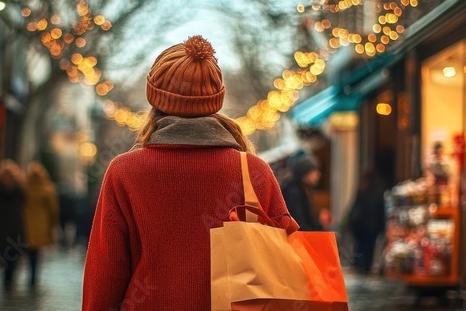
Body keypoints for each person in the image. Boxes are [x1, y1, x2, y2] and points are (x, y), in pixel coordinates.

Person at [82, 35, 299, 311]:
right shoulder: (253, 171)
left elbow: (104, 277)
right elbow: (286, 258)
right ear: (215, 100)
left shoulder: (124, 172)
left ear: (155, 99)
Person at [0, 160, 27, 289]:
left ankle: (6, 278)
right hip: (14, 226)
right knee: (12, 253)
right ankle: (10, 278)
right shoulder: (18, 190)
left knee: (4, 252)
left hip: (1, 226)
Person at [23, 162, 59, 287]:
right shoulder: (48, 188)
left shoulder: (25, 187)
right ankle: (33, 277)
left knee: (26, 249)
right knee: (36, 252)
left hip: (27, 223)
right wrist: (53, 224)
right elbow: (53, 209)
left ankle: (17, 277)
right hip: (42, 224)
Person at [347, 170, 387, 273]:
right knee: (369, 250)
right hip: (371, 228)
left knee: (360, 249)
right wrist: (382, 228)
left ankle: (360, 267)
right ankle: (365, 268)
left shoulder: (362, 191)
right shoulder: (377, 193)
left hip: (361, 227)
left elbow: (355, 207)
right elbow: (381, 212)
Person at [280, 152, 324, 231]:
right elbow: (299, 223)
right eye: (313, 171)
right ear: (304, 173)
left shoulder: (301, 190)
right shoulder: (293, 193)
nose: (318, 174)